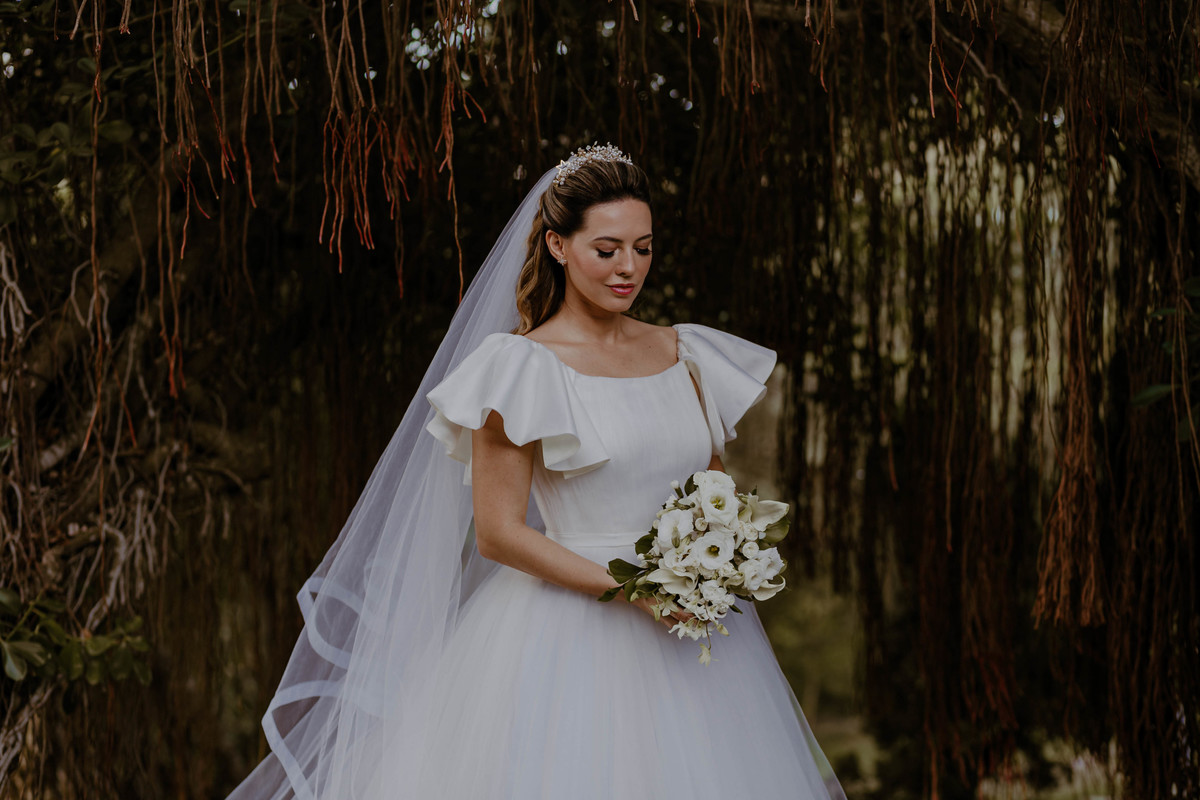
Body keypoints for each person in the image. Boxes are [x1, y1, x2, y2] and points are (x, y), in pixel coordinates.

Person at [227, 145, 844, 800]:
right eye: (606, 250)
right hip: (569, 631)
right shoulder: (518, 368)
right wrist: (636, 589)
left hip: (697, 630)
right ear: (557, 244)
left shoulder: (685, 353)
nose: (628, 268)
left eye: (643, 247)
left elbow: (711, 489)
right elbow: (497, 532)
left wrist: (712, 569)